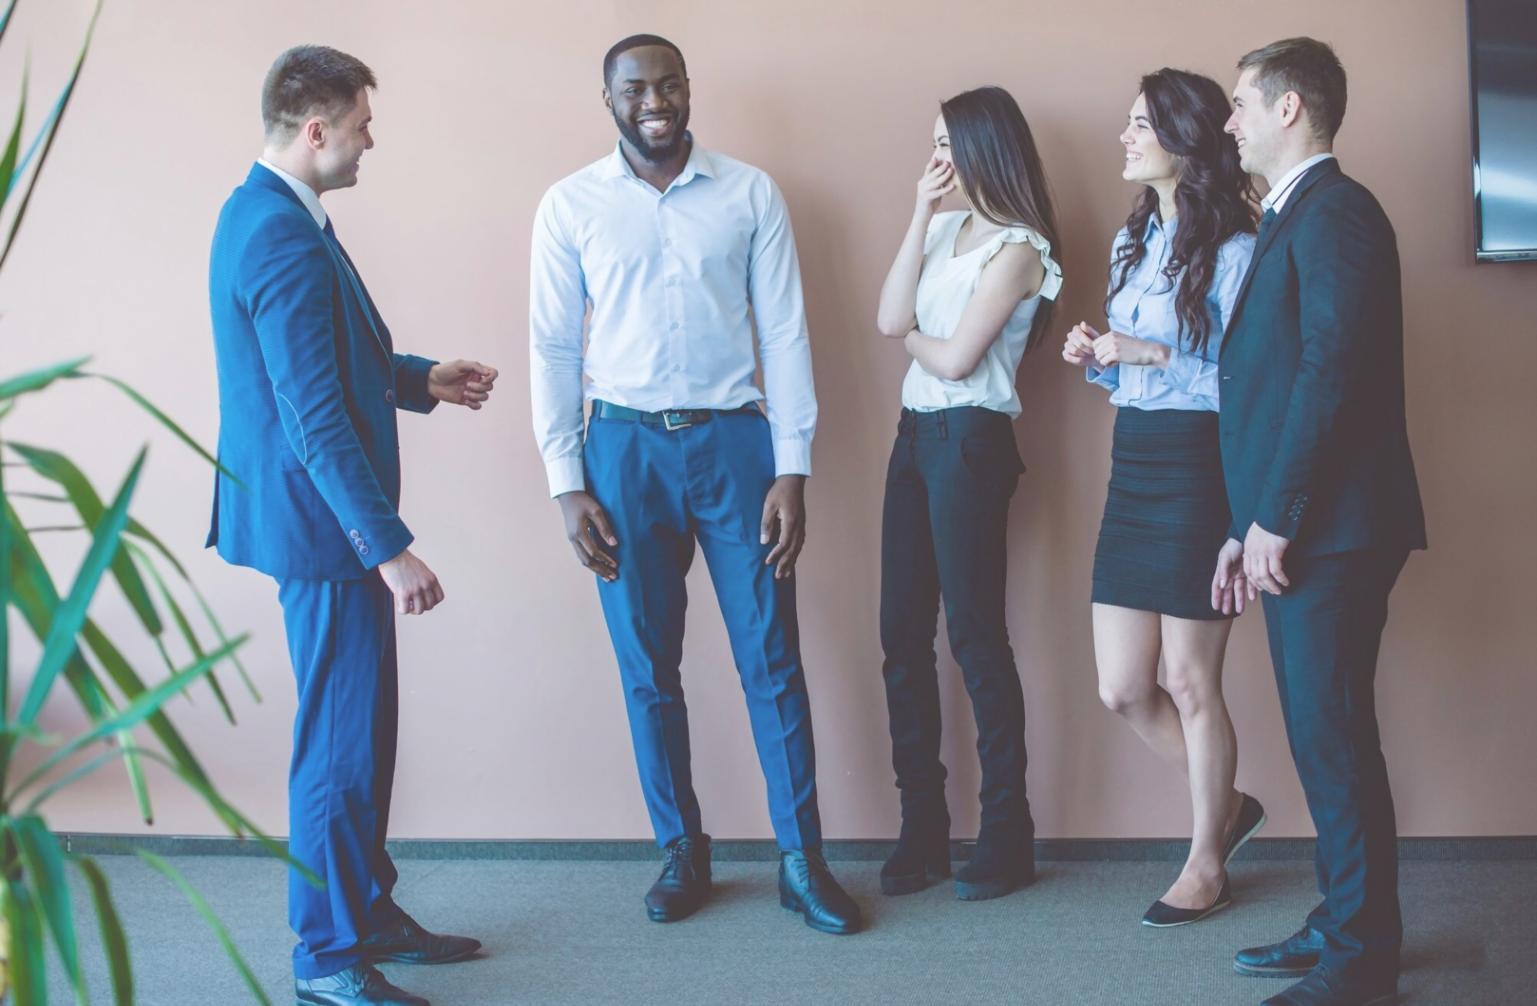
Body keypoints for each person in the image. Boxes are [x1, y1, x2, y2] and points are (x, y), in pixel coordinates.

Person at [528, 33, 860, 935]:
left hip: (736, 448)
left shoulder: (749, 193)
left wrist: (792, 465)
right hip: (622, 452)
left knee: (772, 659)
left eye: (667, 83)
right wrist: (567, 481)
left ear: (687, 89)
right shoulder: (570, 205)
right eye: (634, 87)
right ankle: (682, 850)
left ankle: (802, 860)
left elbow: (785, 333)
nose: (654, 100)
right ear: (608, 99)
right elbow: (555, 347)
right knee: (647, 669)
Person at [208, 45, 496, 1006]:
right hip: (322, 529)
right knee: (337, 740)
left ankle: (365, 910)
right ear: (316, 127)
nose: (373, 138)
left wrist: (421, 380)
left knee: (361, 731)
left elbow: (336, 358)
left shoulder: (275, 214)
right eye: (364, 123)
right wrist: (389, 546)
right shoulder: (277, 233)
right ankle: (326, 956)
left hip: (323, 520)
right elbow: (311, 410)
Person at [1216, 37, 1426, 1006]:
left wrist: (1278, 517)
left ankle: (1360, 957)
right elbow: (1274, 390)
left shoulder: (1336, 211)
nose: (1229, 123)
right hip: (1307, 526)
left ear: (1288, 106)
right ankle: (1347, 918)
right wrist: (1245, 524)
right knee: (1321, 735)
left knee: (1332, 735)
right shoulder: (1296, 215)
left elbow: (1328, 374)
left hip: (1333, 530)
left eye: (1239, 105)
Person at [1061, 68, 1266, 927]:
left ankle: (1204, 860)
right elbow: (1135, 369)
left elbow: (1245, 384)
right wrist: (1099, 357)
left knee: (1187, 680)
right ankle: (1227, 804)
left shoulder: (1238, 249)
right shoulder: (1130, 240)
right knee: (1118, 686)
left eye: (1139, 123)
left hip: (1199, 468)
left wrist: (1144, 354)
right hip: (1134, 462)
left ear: (1184, 140)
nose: (1124, 136)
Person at [873, 86, 1061, 901]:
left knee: (976, 638)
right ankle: (922, 830)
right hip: (914, 439)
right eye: (932, 140)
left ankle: (1005, 833)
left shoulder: (1021, 247)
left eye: (950, 141)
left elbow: (952, 361)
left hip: (970, 442)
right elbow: (887, 316)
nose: (938, 155)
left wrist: (914, 338)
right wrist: (919, 211)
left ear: (987, 144)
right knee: (900, 636)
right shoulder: (947, 228)